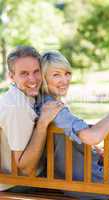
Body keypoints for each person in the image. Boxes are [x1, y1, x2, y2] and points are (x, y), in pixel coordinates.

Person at [38, 50, 109, 200]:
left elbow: (77, 140)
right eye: (56, 75)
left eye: (67, 73)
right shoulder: (54, 108)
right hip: (89, 183)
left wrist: (99, 152)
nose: (65, 80)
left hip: (74, 178)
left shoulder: (42, 104)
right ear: (43, 78)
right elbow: (91, 137)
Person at [0, 46, 64, 192]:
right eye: (24, 73)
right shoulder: (18, 108)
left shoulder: (22, 97)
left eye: (36, 71)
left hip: (23, 180)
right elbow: (26, 169)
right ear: (11, 76)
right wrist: (42, 123)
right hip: (19, 185)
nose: (32, 79)